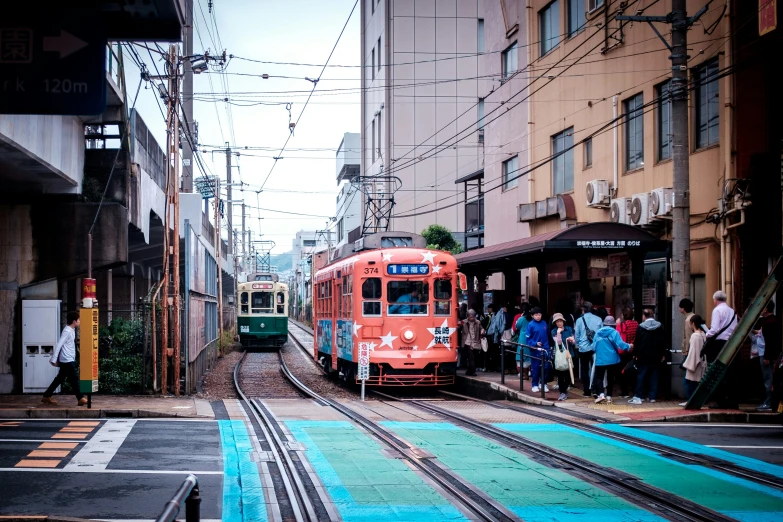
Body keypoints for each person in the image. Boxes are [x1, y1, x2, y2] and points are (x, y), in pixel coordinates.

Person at [42, 311, 87, 406]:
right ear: (74, 321)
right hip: (67, 360)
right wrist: (53, 359)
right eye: (78, 320)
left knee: (59, 379)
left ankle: (46, 396)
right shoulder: (67, 331)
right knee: (74, 379)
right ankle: (80, 398)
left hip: (67, 359)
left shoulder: (71, 330)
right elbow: (59, 344)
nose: (79, 322)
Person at [704, 290, 738, 408]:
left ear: (715, 300)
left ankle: (718, 400)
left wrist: (707, 334)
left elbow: (715, 329)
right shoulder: (732, 311)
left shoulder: (717, 310)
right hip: (730, 343)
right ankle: (732, 400)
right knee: (730, 373)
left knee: (716, 371)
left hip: (718, 344)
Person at [592, 316, 632, 404]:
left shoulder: (598, 333)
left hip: (600, 360)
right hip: (612, 360)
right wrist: (629, 346)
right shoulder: (615, 333)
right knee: (611, 378)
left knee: (599, 378)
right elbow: (620, 344)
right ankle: (609, 397)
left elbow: (593, 347)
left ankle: (601, 395)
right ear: (613, 324)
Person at [628, 309, 665, 405]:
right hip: (656, 355)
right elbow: (662, 342)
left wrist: (635, 354)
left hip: (643, 355)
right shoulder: (660, 326)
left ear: (644, 316)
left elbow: (637, 342)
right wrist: (662, 354)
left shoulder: (641, 327)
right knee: (654, 376)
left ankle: (640, 395)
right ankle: (652, 396)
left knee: (641, 375)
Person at [574, 302, 602, 397]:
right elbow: (601, 334)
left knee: (584, 369)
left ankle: (586, 391)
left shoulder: (579, 320)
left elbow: (576, 335)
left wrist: (577, 345)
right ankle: (595, 389)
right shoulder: (599, 319)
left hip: (583, 348)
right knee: (596, 369)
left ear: (583, 310)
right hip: (596, 348)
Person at [756, 302, 780, 411]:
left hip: (767, 355)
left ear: (766, 309)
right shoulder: (770, 320)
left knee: (768, 379)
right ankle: (770, 402)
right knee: (769, 379)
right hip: (768, 354)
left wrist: (766, 356)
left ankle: (769, 403)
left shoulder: (770, 322)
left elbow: (770, 341)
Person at [680, 314, 707, 406]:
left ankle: (691, 401)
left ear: (693, 323)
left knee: (688, 382)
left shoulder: (695, 336)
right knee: (696, 383)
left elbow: (693, 352)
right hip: (702, 362)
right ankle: (695, 401)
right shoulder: (704, 334)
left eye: (690, 323)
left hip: (695, 363)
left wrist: (688, 364)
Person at [551, 313, 575, 401]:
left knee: (568, 373)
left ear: (563, 321)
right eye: (557, 321)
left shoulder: (569, 329)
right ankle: (562, 392)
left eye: (560, 321)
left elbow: (573, 341)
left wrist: (572, 340)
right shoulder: (554, 331)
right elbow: (559, 344)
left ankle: (565, 390)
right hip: (560, 355)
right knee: (561, 374)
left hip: (569, 354)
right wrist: (558, 333)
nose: (559, 323)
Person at [526, 307, 550, 393]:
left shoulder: (544, 323)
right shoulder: (530, 325)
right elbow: (528, 339)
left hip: (545, 347)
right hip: (535, 349)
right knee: (535, 367)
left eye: (539, 314)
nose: (538, 316)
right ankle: (535, 384)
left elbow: (547, 335)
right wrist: (535, 343)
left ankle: (543, 384)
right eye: (536, 315)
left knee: (546, 367)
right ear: (532, 316)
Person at [617, 308, 638, 398]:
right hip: (633, 351)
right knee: (633, 370)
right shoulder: (637, 324)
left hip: (623, 351)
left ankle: (624, 392)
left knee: (622, 371)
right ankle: (634, 390)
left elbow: (617, 338)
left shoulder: (621, 325)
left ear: (623, 315)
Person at [462, 309, 485, 376]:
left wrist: (482, 331)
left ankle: (469, 371)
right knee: (471, 357)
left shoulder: (478, 322)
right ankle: (473, 371)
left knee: (473, 357)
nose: (472, 318)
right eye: (470, 316)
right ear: (467, 316)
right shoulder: (464, 322)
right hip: (467, 342)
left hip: (475, 342)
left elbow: (482, 328)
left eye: (473, 316)